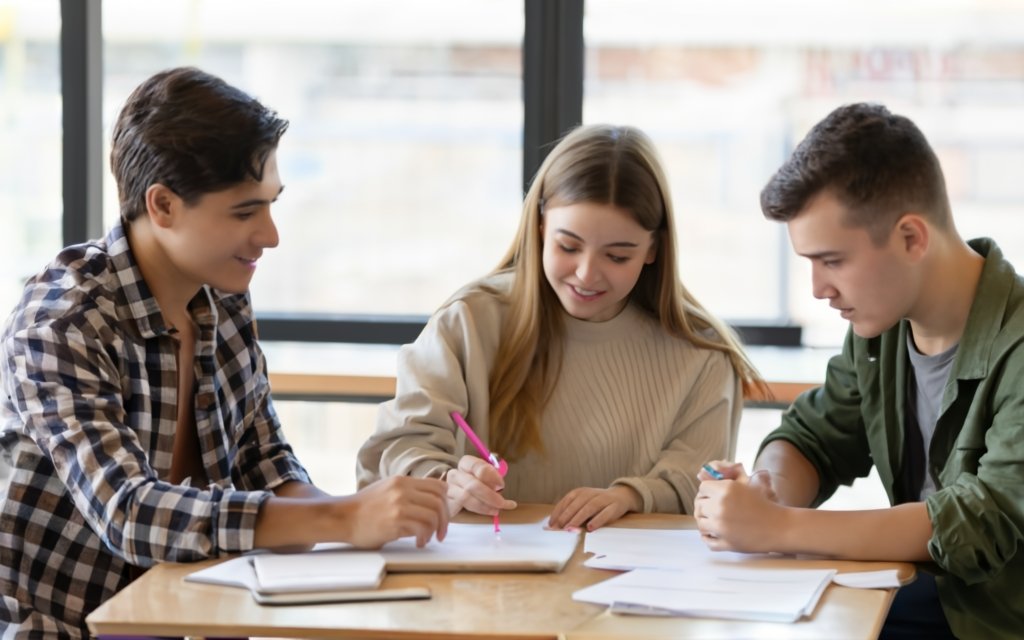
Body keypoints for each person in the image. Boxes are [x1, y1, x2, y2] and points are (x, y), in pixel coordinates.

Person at [0, 67, 448, 639]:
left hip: (192, 616)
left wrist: (375, 520)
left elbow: (267, 464)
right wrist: (343, 516)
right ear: (162, 205)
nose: (271, 234)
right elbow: (129, 514)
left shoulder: (222, 297)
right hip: (60, 629)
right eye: (244, 212)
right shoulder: (62, 322)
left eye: (271, 204)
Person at [694, 103, 1024, 640]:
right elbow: (813, 438)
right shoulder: (880, 329)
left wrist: (779, 527)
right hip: (929, 601)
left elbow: (981, 522)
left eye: (833, 261)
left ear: (912, 238)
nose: (818, 289)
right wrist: (767, 490)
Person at [357, 124, 765, 532]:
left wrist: (630, 497)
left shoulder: (703, 353)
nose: (587, 275)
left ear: (654, 249)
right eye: (567, 247)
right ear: (539, 226)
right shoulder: (469, 321)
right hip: (481, 578)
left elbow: (703, 488)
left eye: (618, 256)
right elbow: (396, 450)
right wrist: (447, 482)